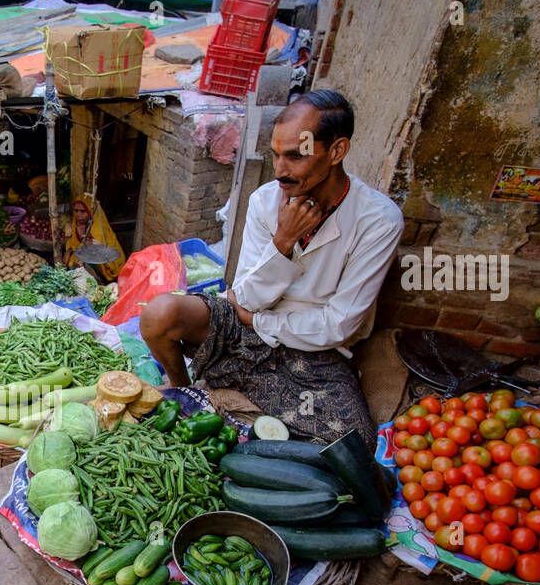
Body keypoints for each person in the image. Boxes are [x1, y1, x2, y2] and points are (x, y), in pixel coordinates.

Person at [140, 90, 404, 451]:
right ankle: (185, 390)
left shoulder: (378, 220)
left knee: (353, 447)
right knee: (160, 313)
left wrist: (261, 323)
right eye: (276, 154)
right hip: (244, 321)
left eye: (295, 156)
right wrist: (283, 242)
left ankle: (241, 397)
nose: (281, 170)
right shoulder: (265, 200)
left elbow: (340, 324)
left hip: (312, 350)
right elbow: (244, 295)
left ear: (337, 151)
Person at [63, 194, 126, 283]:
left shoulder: (97, 229)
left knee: (78, 266)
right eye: (76, 211)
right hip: (86, 253)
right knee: (71, 264)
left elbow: (100, 251)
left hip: (105, 261)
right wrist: (69, 251)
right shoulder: (76, 224)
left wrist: (89, 245)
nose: (78, 215)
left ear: (90, 211)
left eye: (83, 211)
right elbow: (74, 242)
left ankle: (98, 282)